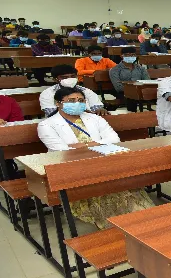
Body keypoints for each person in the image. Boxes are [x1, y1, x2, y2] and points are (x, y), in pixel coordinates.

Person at [37, 87, 154, 229]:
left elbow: (114, 138)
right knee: (103, 187)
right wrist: (96, 143)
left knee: (123, 182)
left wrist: (84, 144)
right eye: (71, 100)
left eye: (80, 100)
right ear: (58, 103)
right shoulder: (46, 124)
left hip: (104, 162)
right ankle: (118, 223)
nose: (77, 103)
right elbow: (60, 149)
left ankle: (139, 218)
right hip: (72, 168)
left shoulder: (94, 118)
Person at [40, 64, 106, 117]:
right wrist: (82, 113)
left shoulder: (86, 91)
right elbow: (51, 113)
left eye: (73, 76)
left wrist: (100, 110)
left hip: (88, 121)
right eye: (64, 77)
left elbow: (97, 108)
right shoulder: (47, 93)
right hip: (60, 124)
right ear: (55, 79)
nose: (70, 79)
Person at [109, 47, 150, 112]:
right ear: (121, 56)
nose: (130, 56)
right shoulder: (115, 70)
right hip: (123, 92)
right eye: (127, 55)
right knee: (131, 97)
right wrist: (133, 90)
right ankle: (133, 116)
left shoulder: (141, 68)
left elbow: (147, 81)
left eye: (133, 55)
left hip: (140, 91)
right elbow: (118, 87)